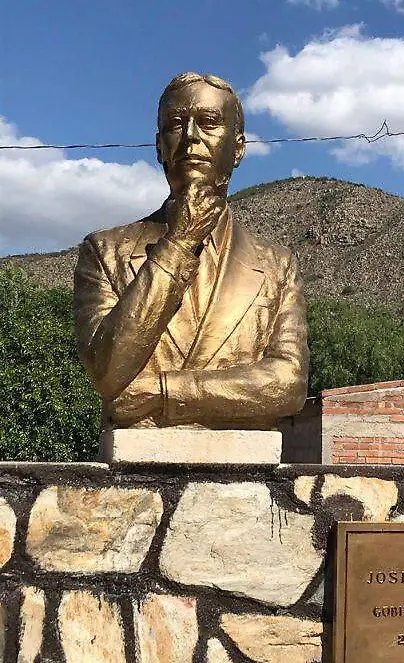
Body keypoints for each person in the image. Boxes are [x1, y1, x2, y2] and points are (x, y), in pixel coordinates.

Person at [74, 72, 308, 431]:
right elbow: (108, 374)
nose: (191, 137)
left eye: (209, 122)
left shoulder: (277, 265)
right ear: (159, 146)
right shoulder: (105, 252)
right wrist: (178, 244)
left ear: (238, 147)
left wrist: (165, 393)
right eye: (175, 124)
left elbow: (287, 384)